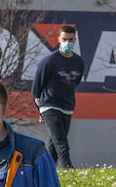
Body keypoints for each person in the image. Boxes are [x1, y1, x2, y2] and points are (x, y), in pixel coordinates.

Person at [32, 25, 85, 169]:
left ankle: (45, 170)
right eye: (64, 39)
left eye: (71, 39)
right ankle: (70, 172)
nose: (67, 42)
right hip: (49, 106)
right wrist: (40, 111)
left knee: (54, 144)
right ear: (59, 39)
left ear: (75, 40)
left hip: (67, 107)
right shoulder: (49, 61)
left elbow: (75, 83)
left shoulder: (79, 62)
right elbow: (36, 89)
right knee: (61, 143)